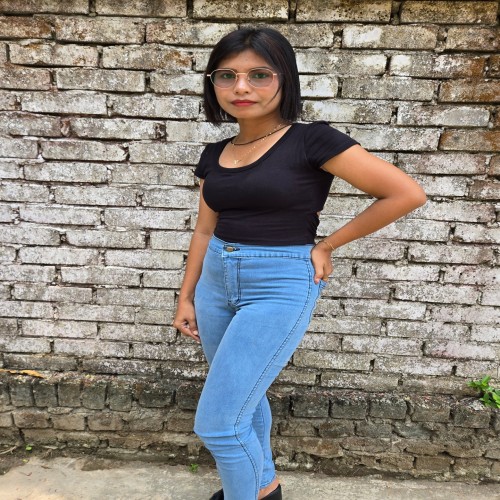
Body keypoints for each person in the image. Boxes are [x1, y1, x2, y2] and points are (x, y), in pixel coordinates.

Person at [172, 27, 426, 500]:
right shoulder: (215, 154)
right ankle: (263, 487)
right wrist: (186, 296)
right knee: (243, 400)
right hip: (215, 285)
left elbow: (405, 193)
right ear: (213, 84)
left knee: (219, 424)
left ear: (284, 78)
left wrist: (327, 245)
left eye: (259, 74)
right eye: (226, 75)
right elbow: (205, 230)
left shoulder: (312, 141)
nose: (241, 87)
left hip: (278, 283)